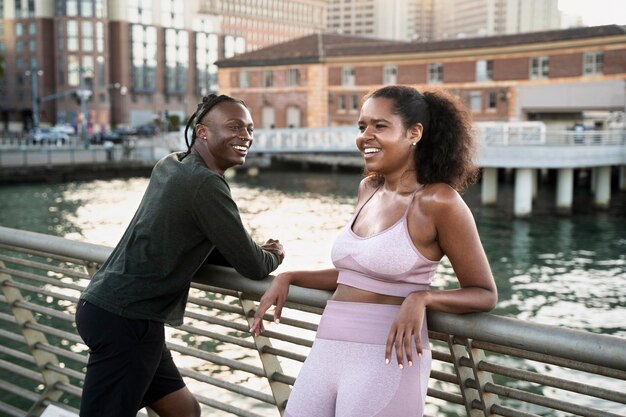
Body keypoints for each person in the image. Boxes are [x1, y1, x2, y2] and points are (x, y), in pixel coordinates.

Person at [250, 85, 497, 416]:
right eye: (362, 126)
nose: (365, 136)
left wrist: (422, 298)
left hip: (387, 359)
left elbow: (483, 293)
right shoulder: (369, 189)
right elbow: (357, 274)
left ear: (414, 133)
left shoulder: (440, 201)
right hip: (327, 349)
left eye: (380, 126)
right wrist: (290, 277)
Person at [75, 93, 285, 417]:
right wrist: (274, 254)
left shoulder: (172, 164)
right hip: (128, 319)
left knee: (184, 411)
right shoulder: (206, 185)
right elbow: (254, 265)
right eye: (234, 127)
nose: (245, 136)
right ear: (202, 132)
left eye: (250, 129)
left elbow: (190, 237)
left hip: (116, 310)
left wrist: (242, 248)